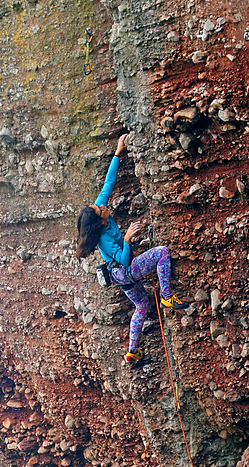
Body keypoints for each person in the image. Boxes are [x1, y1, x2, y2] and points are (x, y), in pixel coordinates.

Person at [75, 134, 187, 366]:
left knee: (142, 305)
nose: (102, 205)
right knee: (162, 252)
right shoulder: (104, 238)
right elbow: (125, 260)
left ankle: (132, 351)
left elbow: (109, 183)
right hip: (125, 271)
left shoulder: (101, 214)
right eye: (99, 208)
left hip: (119, 277)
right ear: (100, 222)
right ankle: (166, 297)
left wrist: (118, 152)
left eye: (97, 204)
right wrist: (127, 238)